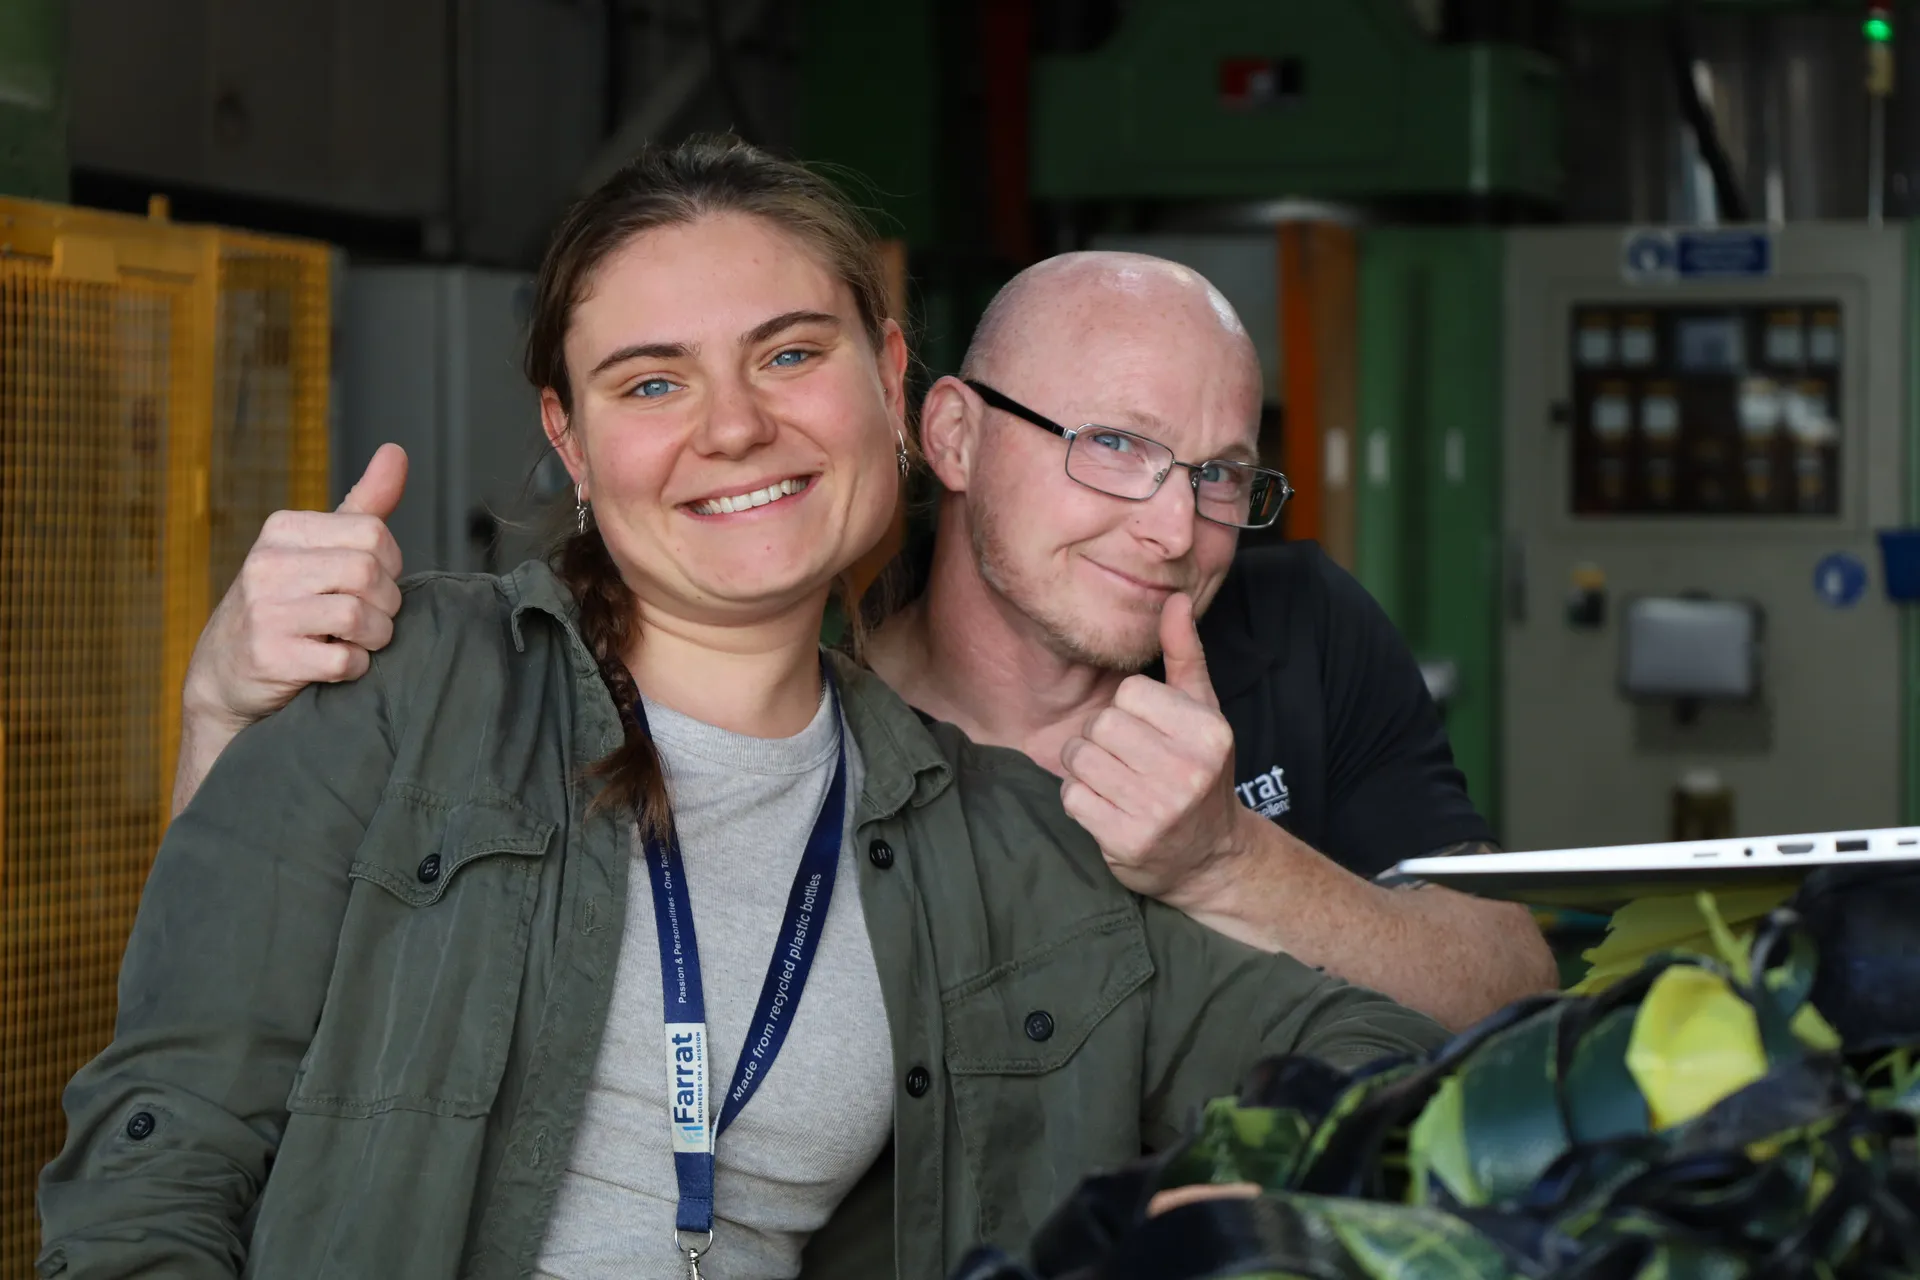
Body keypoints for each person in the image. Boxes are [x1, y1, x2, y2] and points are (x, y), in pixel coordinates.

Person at [39, 138, 1444, 1280]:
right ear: (570, 441)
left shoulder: (995, 839)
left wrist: (1208, 1230)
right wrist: (220, 702)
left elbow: (1375, 1071)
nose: (731, 427)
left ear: (895, 390)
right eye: (652, 382)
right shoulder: (406, 682)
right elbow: (161, 1157)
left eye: (788, 355)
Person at [174, 253, 1554, 1031]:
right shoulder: (796, 727)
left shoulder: (1293, 625)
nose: (1172, 523)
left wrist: (1227, 863)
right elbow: (233, 1012)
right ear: (947, 433)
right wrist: (223, 712)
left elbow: (1508, 980)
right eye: (1114, 446)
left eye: (1216, 472)